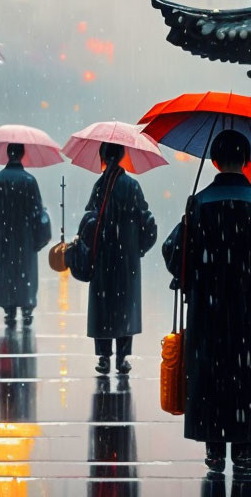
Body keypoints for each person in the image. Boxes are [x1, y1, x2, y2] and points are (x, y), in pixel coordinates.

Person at [162, 130, 251, 480]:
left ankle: (214, 451)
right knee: (246, 381)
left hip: (209, 312)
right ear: (247, 161)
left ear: (215, 161)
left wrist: (194, 276)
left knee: (212, 378)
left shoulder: (199, 203)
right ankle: (246, 452)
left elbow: (174, 253)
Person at [81, 142, 156, 375]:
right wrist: (139, 248)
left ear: (103, 155)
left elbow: (88, 221)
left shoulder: (99, 186)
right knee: (125, 305)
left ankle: (104, 355)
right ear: (123, 156)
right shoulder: (132, 186)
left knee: (103, 305)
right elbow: (147, 222)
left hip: (103, 255)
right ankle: (123, 357)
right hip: (127, 258)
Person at [0, 143, 50, 328]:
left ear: (7, 154)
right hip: (26, 241)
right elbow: (37, 213)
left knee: (7, 275)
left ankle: (9, 310)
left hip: (3, 239)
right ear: (22, 154)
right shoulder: (29, 181)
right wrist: (36, 237)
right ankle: (27, 310)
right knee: (25, 275)